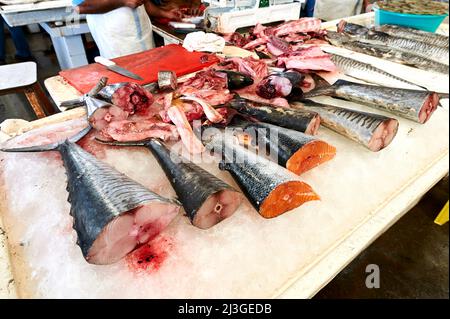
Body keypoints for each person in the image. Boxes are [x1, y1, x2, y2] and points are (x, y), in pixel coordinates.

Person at [75, 0, 184, 59]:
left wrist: (165, 13)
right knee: (127, 86)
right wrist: (122, 1)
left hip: (144, 37)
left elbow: (144, 2)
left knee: (151, 79)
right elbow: (81, 6)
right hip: (118, 41)